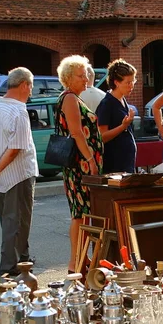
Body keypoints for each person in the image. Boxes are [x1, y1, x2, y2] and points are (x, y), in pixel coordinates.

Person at [0, 67, 38, 276]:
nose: (31, 91)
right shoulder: (19, 111)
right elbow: (16, 149)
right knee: (17, 220)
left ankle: (23, 258)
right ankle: (9, 265)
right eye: (31, 86)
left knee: (10, 219)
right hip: (18, 174)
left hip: (1, 173)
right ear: (24, 85)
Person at [56, 55, 104, 273]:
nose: (85, 79)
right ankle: (75, 261)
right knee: (80, 213)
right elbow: (76, 132)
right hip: (79, 165)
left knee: (83, 212)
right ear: (67, 78)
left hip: (81, 164)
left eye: (86, 75)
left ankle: (81, 258)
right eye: (80, 75)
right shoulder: (70, 98)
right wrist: (90, 159)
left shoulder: (75, 97)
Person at [96, 59, 137, 173]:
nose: (131, 86)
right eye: (128, 82)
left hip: (126, 162)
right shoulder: (107, 104)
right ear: (116, 82)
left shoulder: (122, 100)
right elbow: (102, 136)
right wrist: (123, 126)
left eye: (133, 81)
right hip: (114, 164)